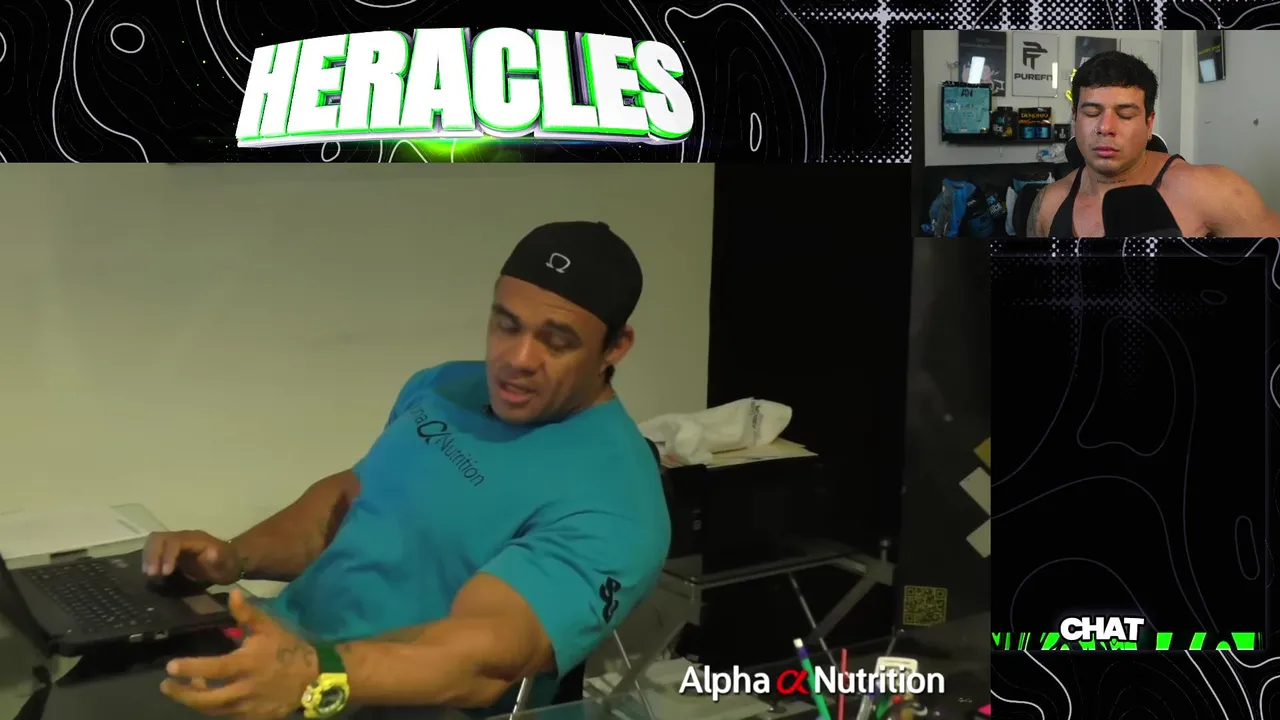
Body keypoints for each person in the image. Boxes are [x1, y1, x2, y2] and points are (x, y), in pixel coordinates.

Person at [143, 221, 671, 719]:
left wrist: (312, 674)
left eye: (556, 342)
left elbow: (484, 656)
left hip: (361, 697)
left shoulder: (617, 504)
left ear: (615, 346)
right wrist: (233, 557)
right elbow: (353, 501)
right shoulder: (443, 387)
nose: (518, 359)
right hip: (271, 653)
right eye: (506, 325)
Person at [1027, 50, 1280, 237]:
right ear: (1075, 118)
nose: (1105, 127)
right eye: (1092, 113)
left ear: (1149, 123)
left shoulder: (1214, 192)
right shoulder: (1049, 203)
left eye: (1125, 115)